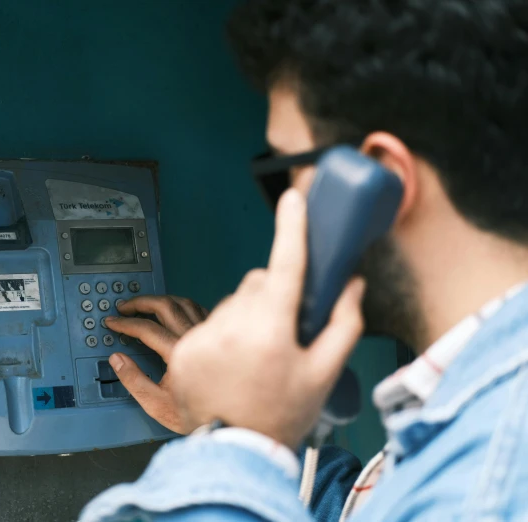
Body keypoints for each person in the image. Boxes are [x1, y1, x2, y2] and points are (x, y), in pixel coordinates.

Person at [80, 0, 528, 520]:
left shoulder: (494, 473)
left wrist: (236, 445)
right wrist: (245, 426)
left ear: (380, 182)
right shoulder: (480, 425)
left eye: (283, 171)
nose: (286, 203)